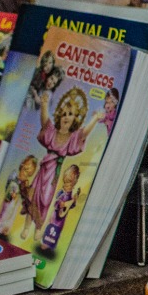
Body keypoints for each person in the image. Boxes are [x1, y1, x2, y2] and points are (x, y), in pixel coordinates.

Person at [25, 87, 101, 242]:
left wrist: (95, 119)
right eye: (64, 113)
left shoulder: (72, 137)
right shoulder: (52, 131)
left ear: (75, 119)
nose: (66, 117)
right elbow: (45, 122)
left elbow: (84, 133)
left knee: (46, 199)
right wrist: (44, 105)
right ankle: (27, 226)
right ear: (59, 116)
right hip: (43, 170)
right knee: (32, 196)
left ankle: (38, 227)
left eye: (70, 114)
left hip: (53, 173)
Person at [0, 156, 36, 239]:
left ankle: (6, 229)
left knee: (12, 215)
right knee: (5, 212)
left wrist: (25, 189)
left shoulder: (25, 181)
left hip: (17, 200)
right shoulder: (14, 175)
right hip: (10, 198)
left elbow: (24, 194)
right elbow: (10, 184)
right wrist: (12, 192)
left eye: (28, 173)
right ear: (22, 165)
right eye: (25, 170)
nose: (25, 174)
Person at [40, 164, 81, 251]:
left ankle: (51, 246)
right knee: (51, 228)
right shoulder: (61, 192)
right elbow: (56, 202)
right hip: (55, 216)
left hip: (62, 218)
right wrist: (60, 203)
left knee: (58, 230)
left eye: (70, 185)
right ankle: (45, 243)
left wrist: (74, 201)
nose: (68, 187)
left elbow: (70, 206)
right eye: (67, 185)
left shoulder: (70, 194)